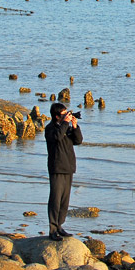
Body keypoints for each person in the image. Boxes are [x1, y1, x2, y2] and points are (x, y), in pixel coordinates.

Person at [45, 102, 83, 241]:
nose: (67, 115)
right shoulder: (50, 129)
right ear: (56, 116)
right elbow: (57, 137)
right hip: (56, 167)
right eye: (63, 114)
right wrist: (65, 124)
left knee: (65, 200)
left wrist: (75, 126)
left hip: (68, 167)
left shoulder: (66, 128)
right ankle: (53, 229)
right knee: (55, 199)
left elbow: (78, 141)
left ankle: (60, 226)